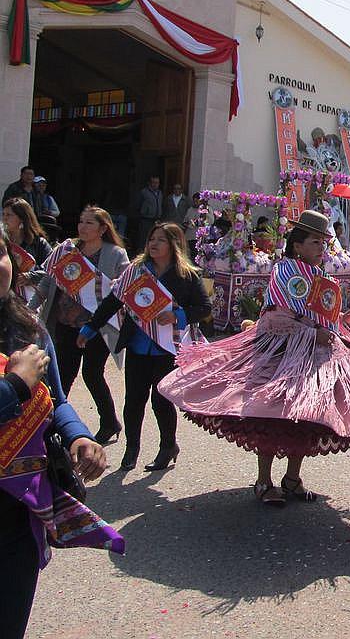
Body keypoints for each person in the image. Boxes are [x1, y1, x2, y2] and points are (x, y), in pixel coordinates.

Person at [159, 210, 350, 504]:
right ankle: (263, 480)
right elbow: (276, 319)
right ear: (297, 245)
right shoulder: (285, 271)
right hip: (279, 355)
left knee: (305, 417)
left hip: (312, 358)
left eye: (323, 243)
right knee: (271, 416)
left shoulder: (321, 276)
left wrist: (340, 321)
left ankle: (292, 478)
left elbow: (322, 316)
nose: (321, 249)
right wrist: (312, 334)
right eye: (315, 242)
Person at [0, 225, 124, 639]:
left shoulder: (30, 332)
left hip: (19, 512)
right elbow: (22, 389)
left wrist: (79, 436)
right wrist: (15, 386)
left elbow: (54, 399)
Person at [77, 222, 211, 472]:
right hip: (138, 345)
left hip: (167, 348)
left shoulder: (187, 275)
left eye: (160, 239)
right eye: (152, 238)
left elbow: (204, 308)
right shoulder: (136, 271)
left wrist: (177, 316)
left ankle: (167, 446)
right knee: (134, 400)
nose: (154, 244)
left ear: (174, 245)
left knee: (162, 402)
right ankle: (132, 449)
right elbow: (112, 301)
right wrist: (91, 327)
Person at [31, 206, 129, 444]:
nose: (82, 227)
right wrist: (31, 307)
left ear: (103, 228)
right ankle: (51, 424)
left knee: (92, 374)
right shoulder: (66, 250)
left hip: (98, 326)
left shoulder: (116, 254)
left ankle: (109, 422)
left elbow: (125, 286)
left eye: (89, 223)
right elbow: (47, 280)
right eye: (81, 222)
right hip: (65, 323)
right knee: (62, 375)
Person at [2, 198, 52, 303]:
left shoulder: (39, 243)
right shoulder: (2, 242)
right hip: (5, 297)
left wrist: (31, 276)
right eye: (3, 214)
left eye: (9, 215)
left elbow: (53, 271)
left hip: (31, 300)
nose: (4, 218)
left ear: (22, 218)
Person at [137, 174, 162, 250]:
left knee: (154, 238)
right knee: (144, 239)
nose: (155, 184)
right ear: (150, 183)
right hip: (146, 219)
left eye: (157, 183)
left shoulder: (160, 193)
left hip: (156, 220)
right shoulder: (144, 192)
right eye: (153, 182)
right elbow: (138, 204)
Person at [182, 193, 203, 260]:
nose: (195, 203)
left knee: (195, 257)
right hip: (188, 237)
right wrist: (187, 223)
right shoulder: (190, 209)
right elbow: (185, 220)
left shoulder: (204, 211)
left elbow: (203, 222)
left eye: (197, 201)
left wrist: (192, 223)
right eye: (194, 201)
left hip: (197, 238)